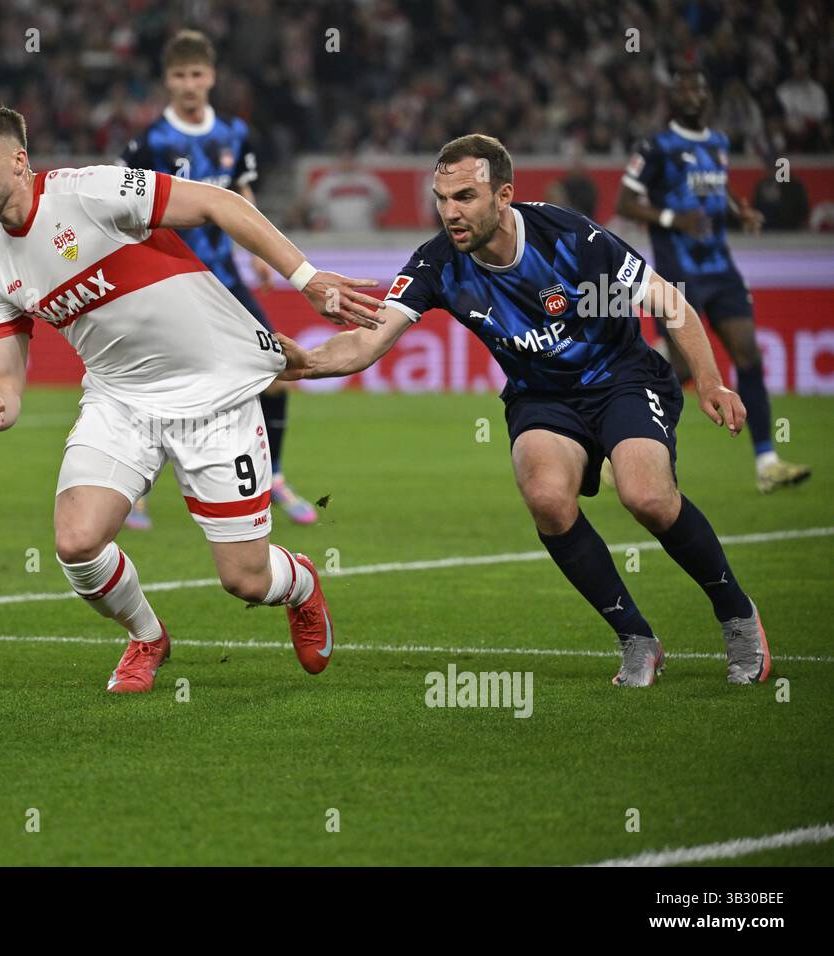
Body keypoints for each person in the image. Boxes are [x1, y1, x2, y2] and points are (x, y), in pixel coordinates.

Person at [277, 133, 771, 688]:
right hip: (541, 395)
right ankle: (636, 638)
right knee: (546, 497)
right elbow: (368, 342)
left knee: (647, 497)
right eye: (441, 198)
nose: (449, 212)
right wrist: (300, 362)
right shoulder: (437, 264)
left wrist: (709, 380)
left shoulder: (571, 238)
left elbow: (671, 304)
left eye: (464, 196)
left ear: (504, 195)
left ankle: (735, 614)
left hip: (620, 378)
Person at [0, 105, 380, 692]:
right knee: (76, 543)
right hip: (121, 402)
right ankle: (147, 636)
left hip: (216, 392)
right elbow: (4, 377)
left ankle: (299, 582)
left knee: (246, 581)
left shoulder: (90, 191)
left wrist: (307, 278)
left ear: (19, 161)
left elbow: (219, 203)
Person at [117, 29, 318, 530]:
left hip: (226, 278)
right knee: (160, 384)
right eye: (180, 75)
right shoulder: (149, 142)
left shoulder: (233, 133)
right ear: (167, 80)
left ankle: (272, 477)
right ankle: (135, 490)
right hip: (169, 281)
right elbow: (124, 209)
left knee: (276, 373)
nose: (189, 84)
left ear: (212, 77)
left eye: (198, 74)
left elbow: (242, 197)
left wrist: (262, 257)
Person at [617, 67, 810, 493]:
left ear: (708, 97)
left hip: (720, 268)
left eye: (699, 88)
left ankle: (767, 462)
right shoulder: (656, 146)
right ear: (673, 99)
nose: (692, 95)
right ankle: (621, 441)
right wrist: (672, 218)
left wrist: (737, 211)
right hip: (677, 271)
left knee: (748, 355)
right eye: (683, 88)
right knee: (681, 368)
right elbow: (625, 203)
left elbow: (713, 190)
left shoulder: (719, 143)